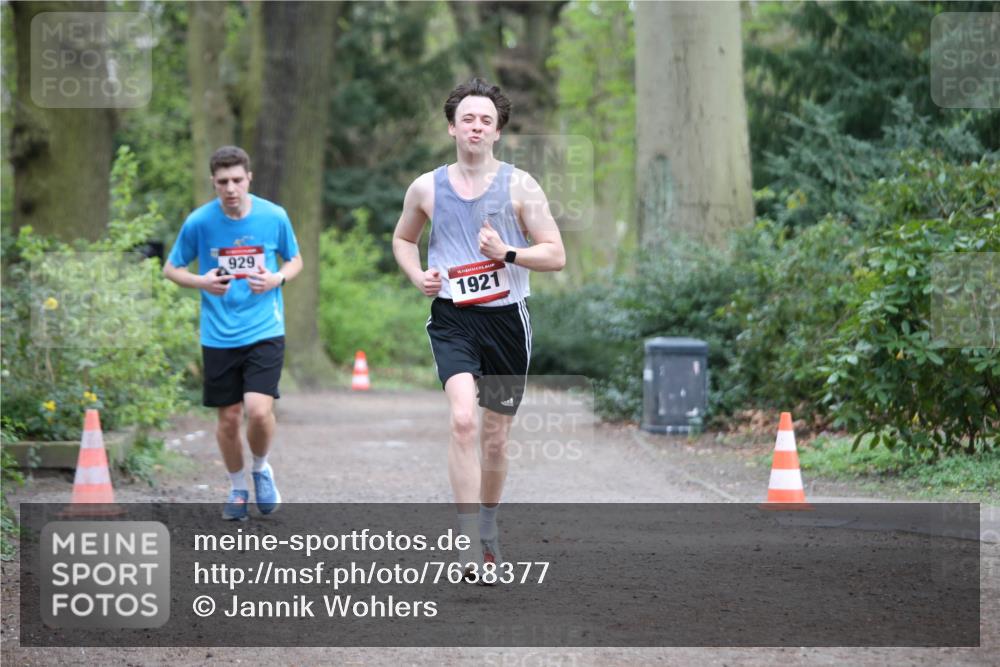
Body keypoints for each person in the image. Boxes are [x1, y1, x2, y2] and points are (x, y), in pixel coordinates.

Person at [392, 79, 565, 573]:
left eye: (486, 120)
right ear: (452, 127)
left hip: (508, 320)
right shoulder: (427, 187)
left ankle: (488, 523)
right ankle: (469, 537)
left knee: (495, 438)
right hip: (453, 319)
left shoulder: (521, 186)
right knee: (463, 420)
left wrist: (507, 253)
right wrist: (416, 273)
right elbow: (404, 239)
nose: (476, 126)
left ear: (497, 132)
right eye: (468, 118)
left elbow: (555, 255)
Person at [164, 146, 302, 521]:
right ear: (213, 182)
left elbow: (295, 259)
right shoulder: (199, 222)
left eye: (237, 180)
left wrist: (277, 277)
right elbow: (171, 268)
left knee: (258, 411)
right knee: (227, 418)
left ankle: (261, 468)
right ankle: (238, 486)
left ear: (249, 179)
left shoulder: (274, 216)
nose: (231, 188)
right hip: (219, 333)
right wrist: (201, 281)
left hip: (264, 328)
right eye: (223, 182)